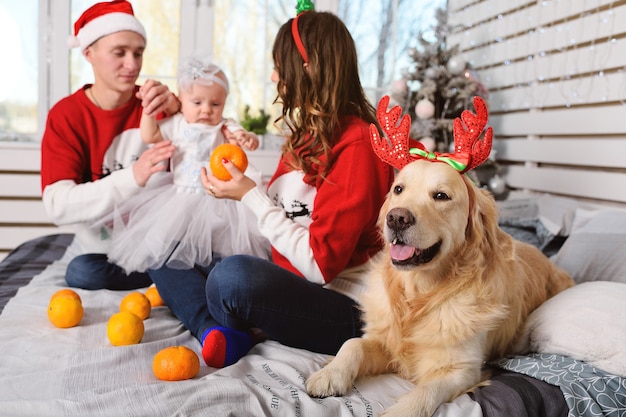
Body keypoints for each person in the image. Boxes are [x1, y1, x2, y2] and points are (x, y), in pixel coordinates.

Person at [148, 5, 394, 369]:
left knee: (231, 279)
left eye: (281, 66)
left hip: (342, 303)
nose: (274, 76)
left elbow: (319, 266)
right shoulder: (309, 136)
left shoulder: (357, 144)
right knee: (165, 246)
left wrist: (249, 194)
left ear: (307, 68)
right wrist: (237, 192)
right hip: (287, 275)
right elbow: (287, 210)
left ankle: (218, 315)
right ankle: (215, 331)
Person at [40, 0, 180, 290]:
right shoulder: (67, 115)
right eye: (119, 53)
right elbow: (57, 205)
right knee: (81, 272)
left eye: (138, 53)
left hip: (160, 241)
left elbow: (208, 140)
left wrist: (182, 109)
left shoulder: (156, 103)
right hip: (104, 251)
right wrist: (133, 176)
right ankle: (172, 278)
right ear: (89, 53)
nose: (132, 65)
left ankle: (173, 275)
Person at [103, 57, 270, 274]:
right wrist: (148, 111)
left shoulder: (224, 125)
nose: (206, 110)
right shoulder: (177, 124)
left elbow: (242, 137)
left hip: (216, 198)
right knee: (172, 243)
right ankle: (178, 276)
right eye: (197, 103)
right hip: (180, 197)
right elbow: (150, 134)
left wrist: (247, 138)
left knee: (217, 243)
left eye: (215, 104)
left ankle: (214, 273)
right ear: (181, 100)